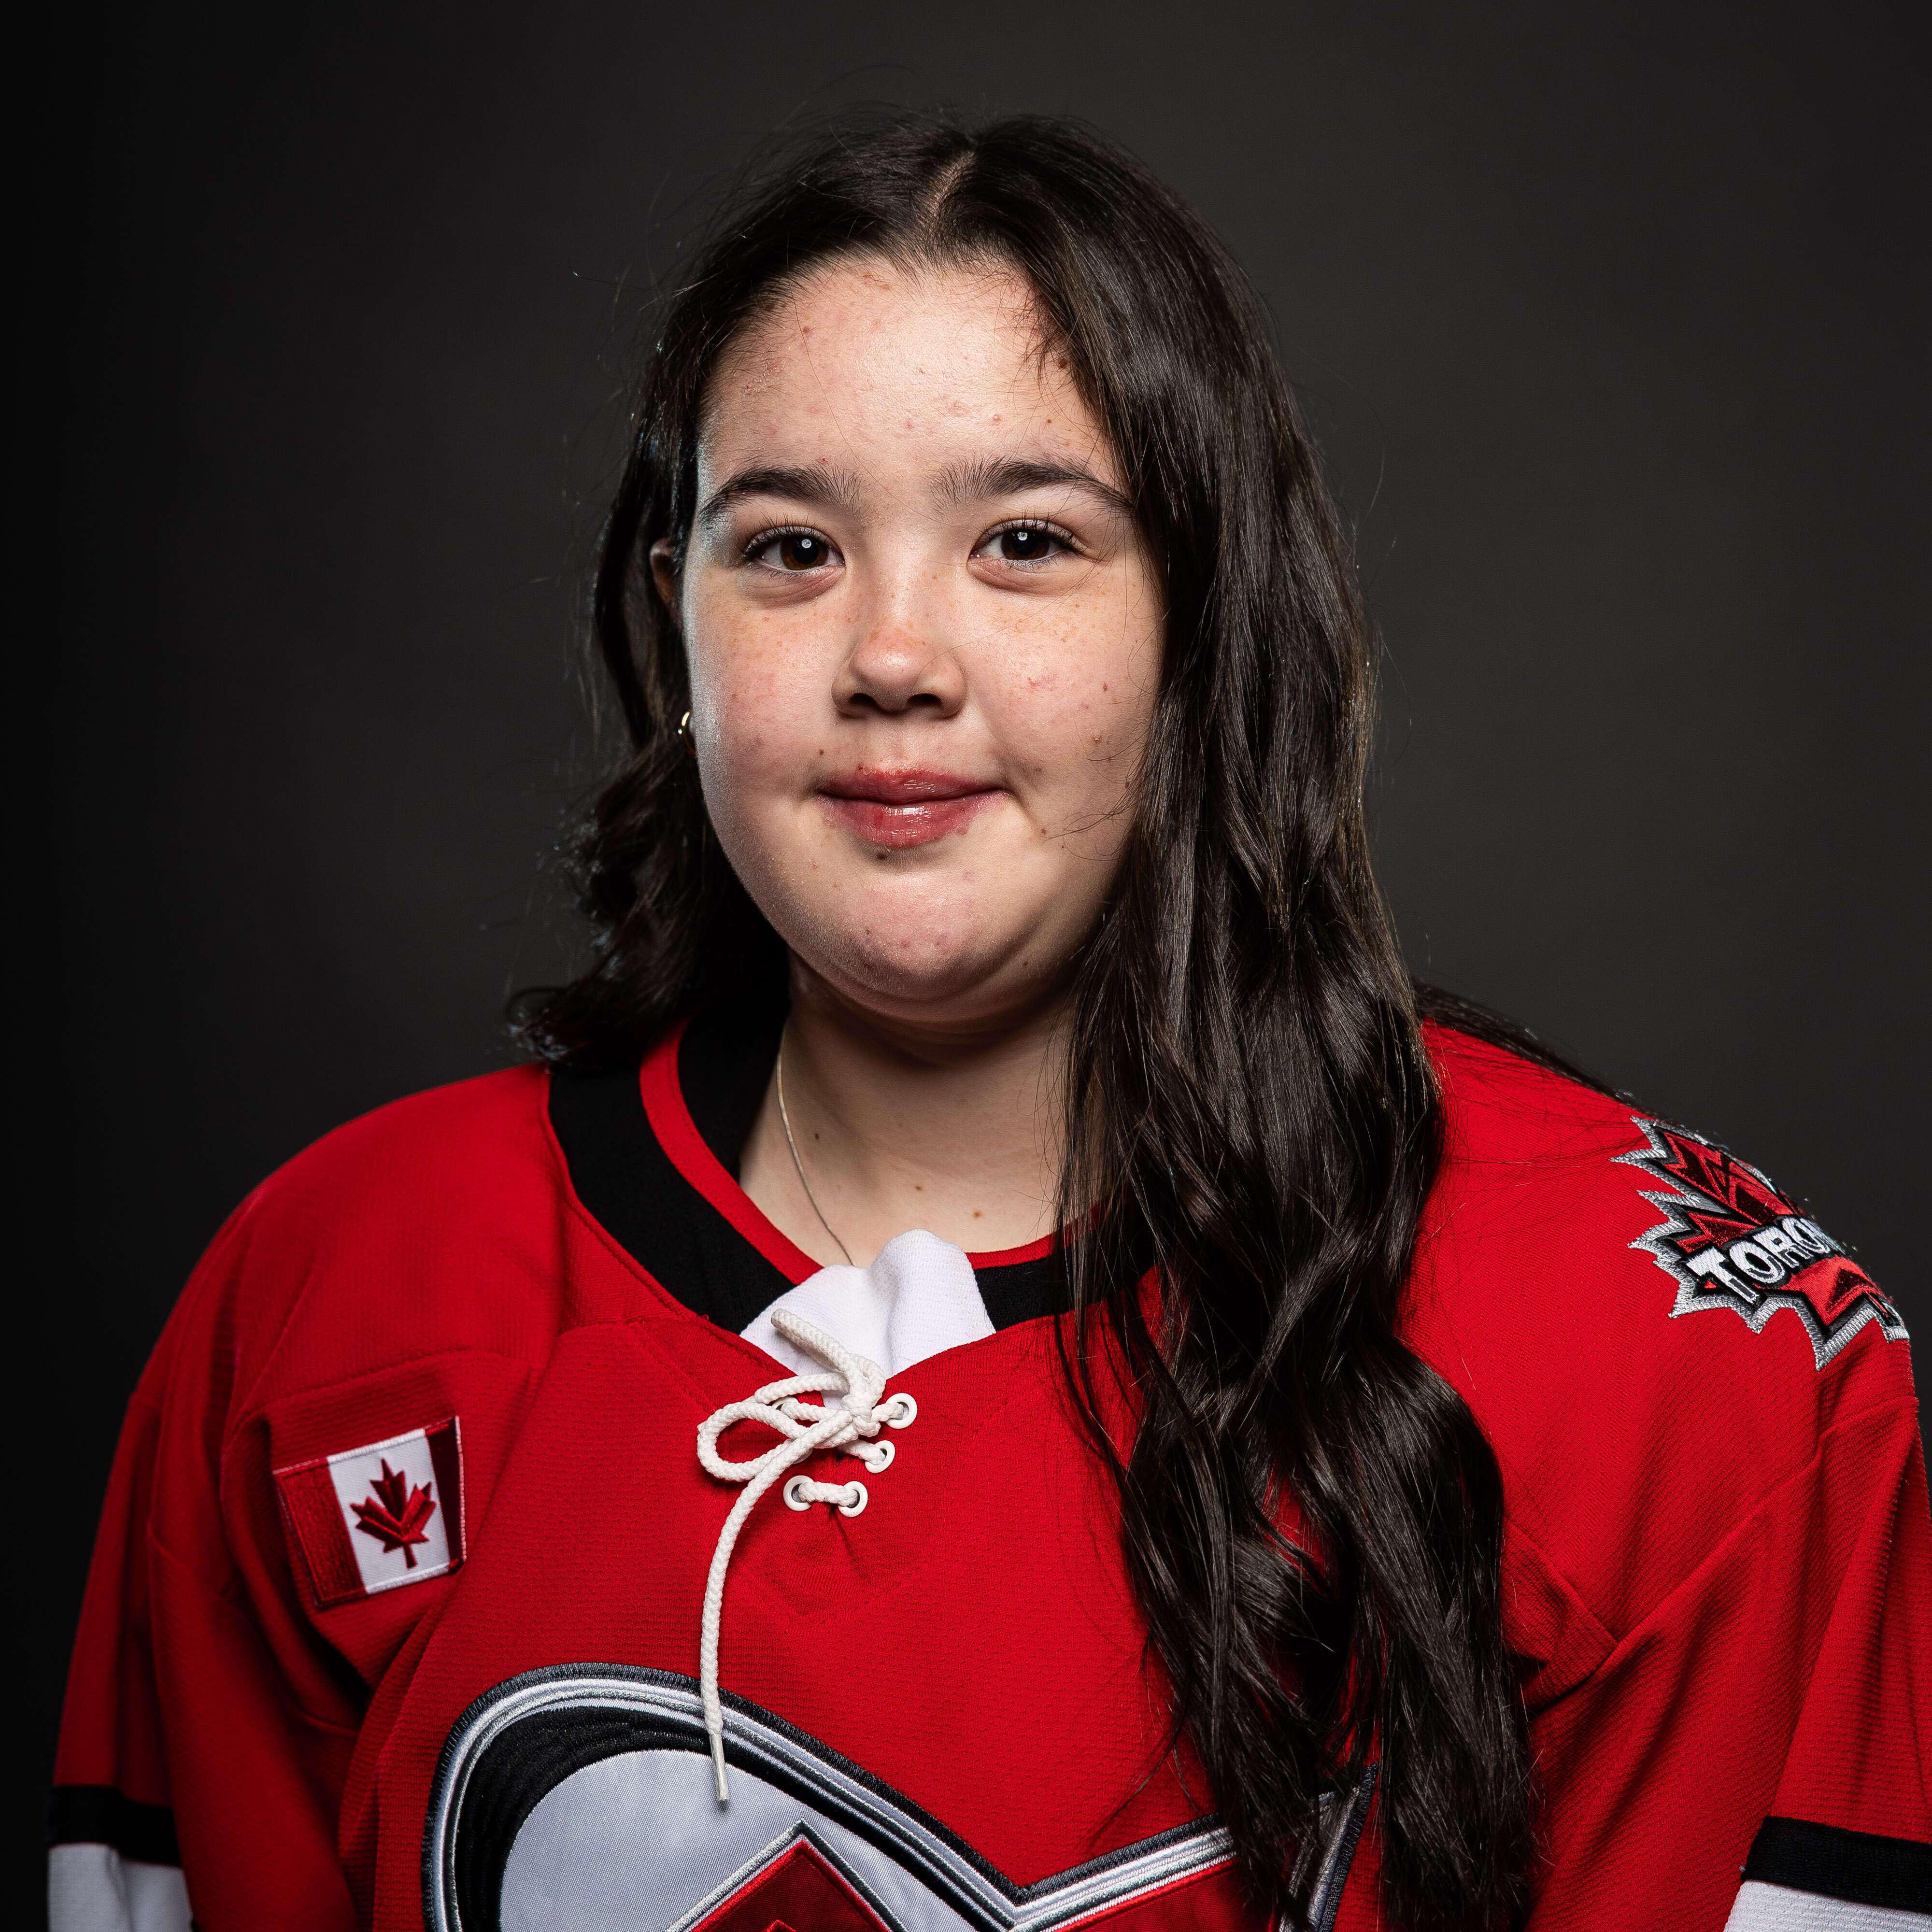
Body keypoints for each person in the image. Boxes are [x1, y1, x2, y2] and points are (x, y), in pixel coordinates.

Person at [48, 114, 1930, 1932]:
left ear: (1201, 620)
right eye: (790, 548)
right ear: (679, 624)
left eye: (1026, 541)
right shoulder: (337, 1303)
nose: (892, 656)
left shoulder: (1675, 1357)